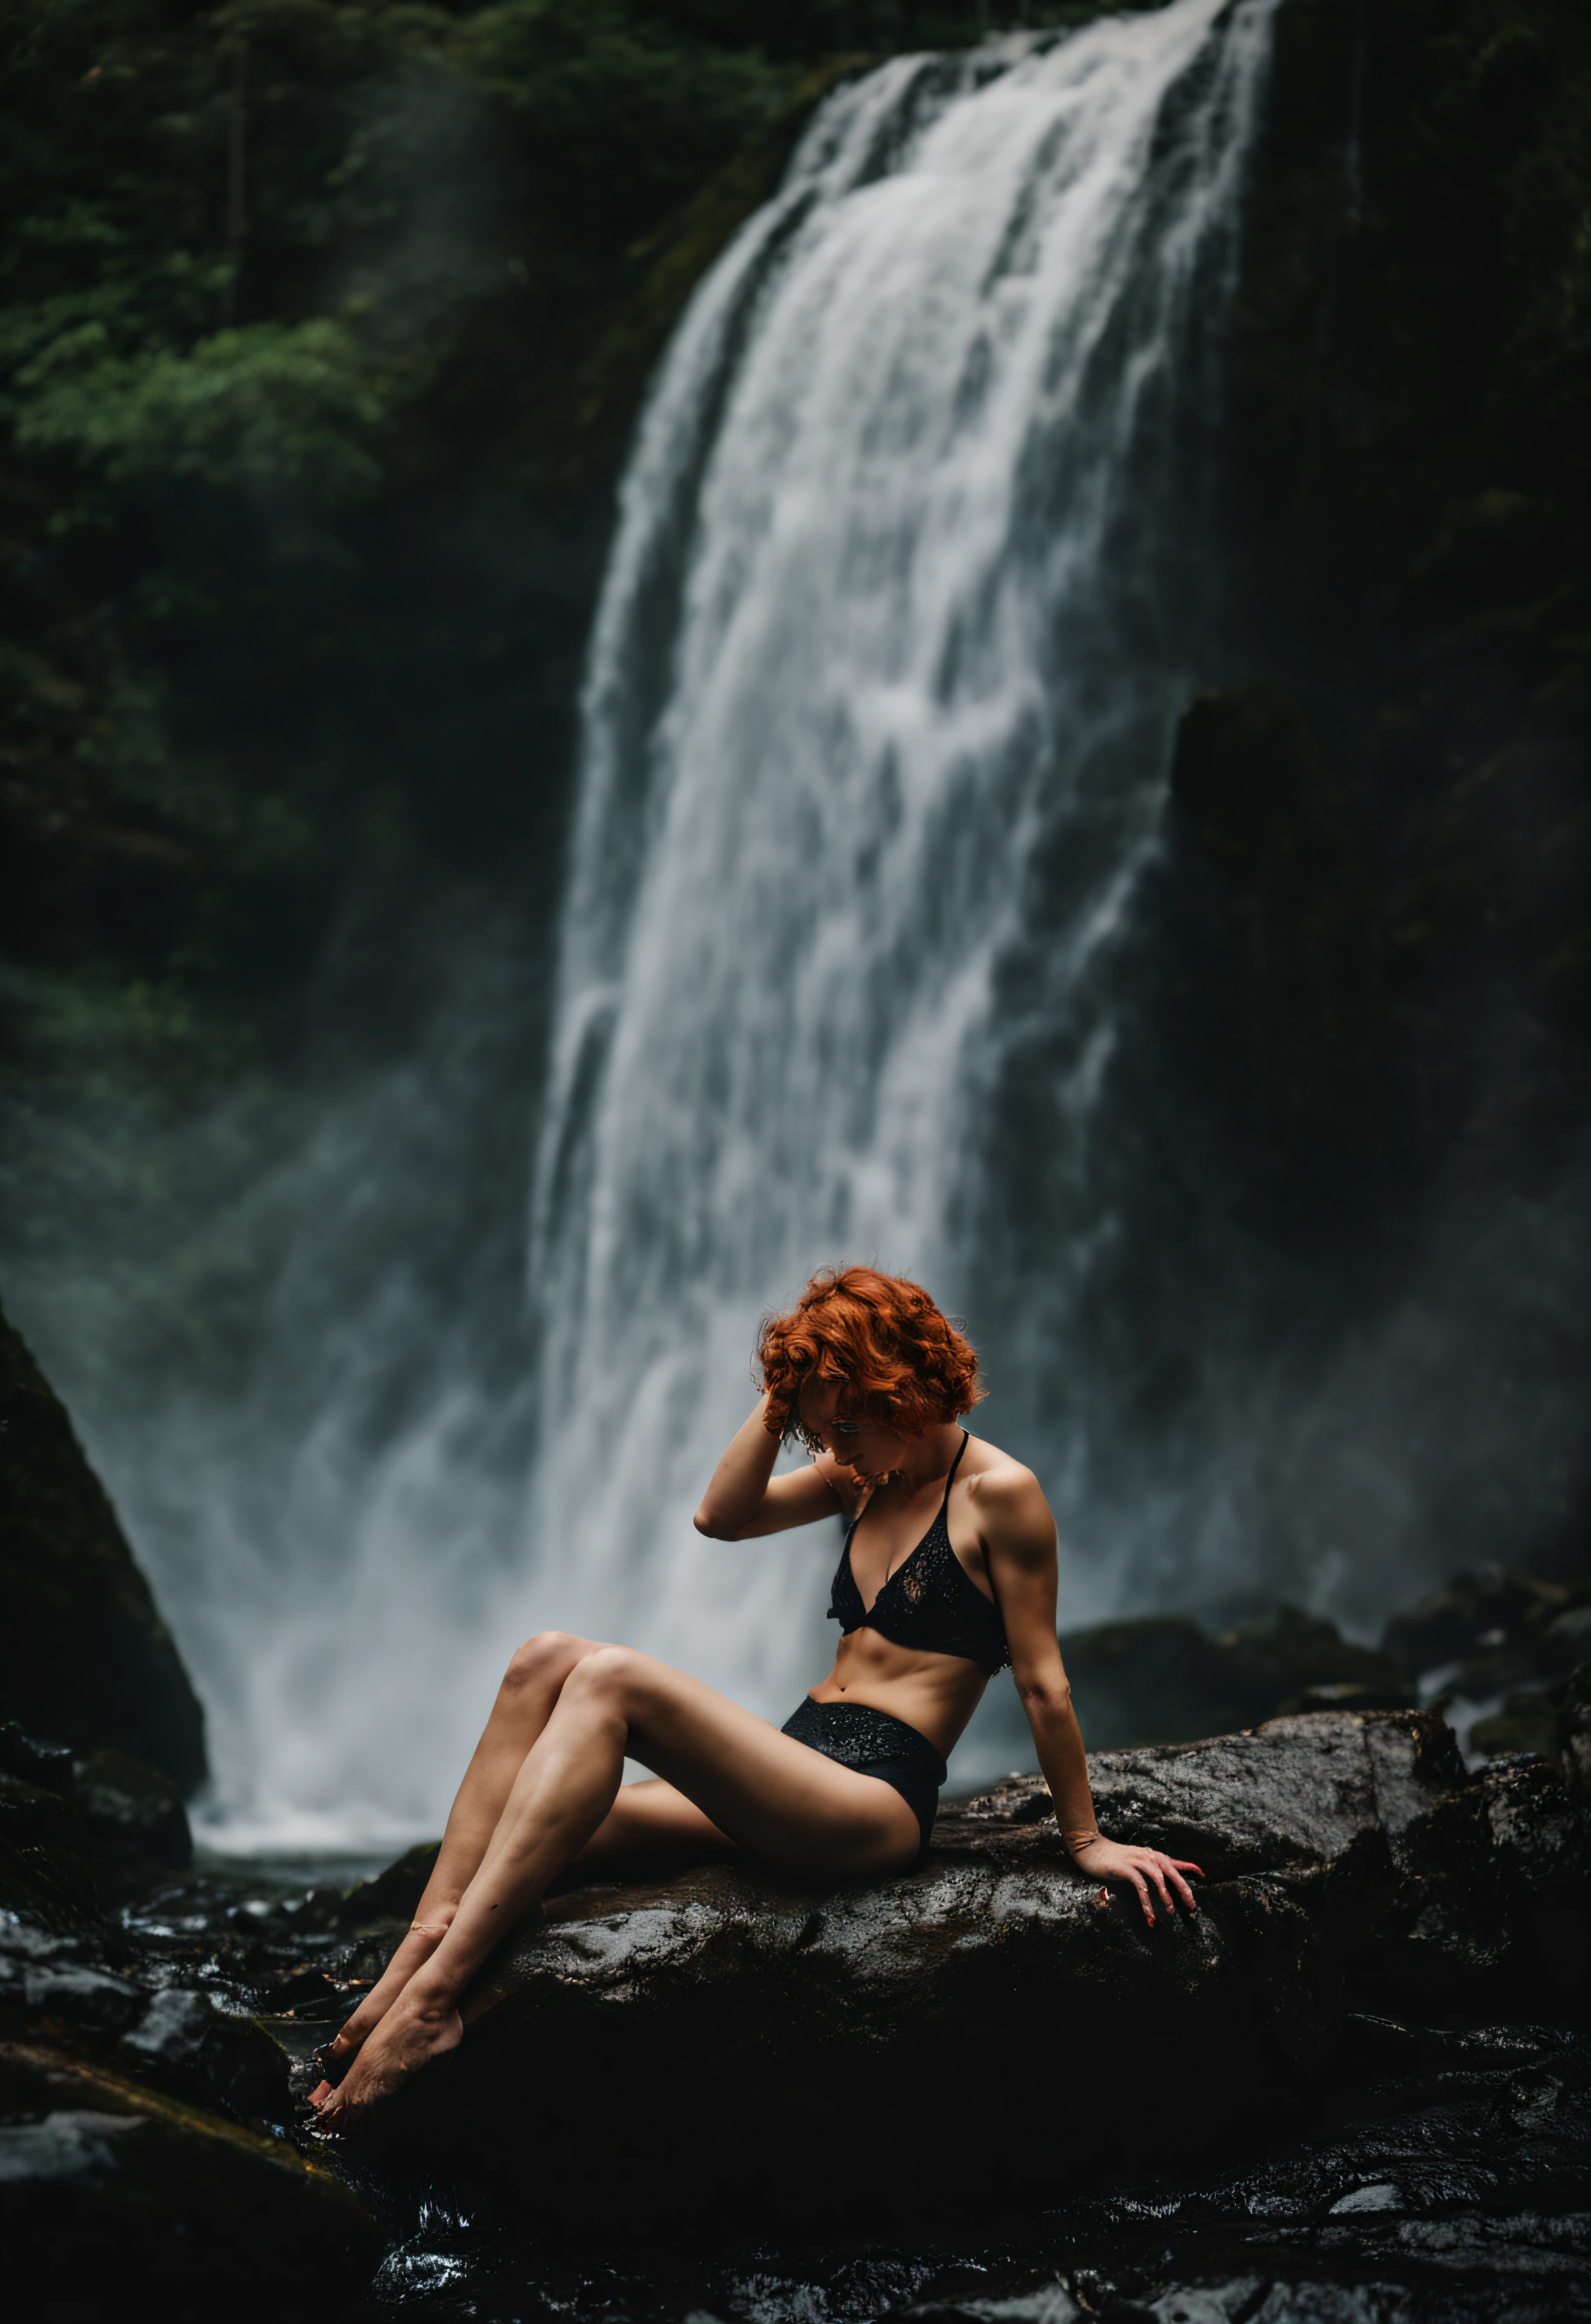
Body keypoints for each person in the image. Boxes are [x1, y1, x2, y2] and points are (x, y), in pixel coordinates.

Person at [310, 1266, 1199, 2127]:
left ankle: (430, 2005)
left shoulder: (1000, 1495)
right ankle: (423, 1949)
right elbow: (722, 1516)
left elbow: (1044, 1684)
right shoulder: (865, 1471)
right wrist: (785, 1397)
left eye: (847, 1426)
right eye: (823, 1434)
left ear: (904, 1390)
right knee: (544, 1666)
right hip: (795, 1766)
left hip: (872, 1801)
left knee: (611, 1680)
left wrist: (1085, 1841)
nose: (836, 1453)